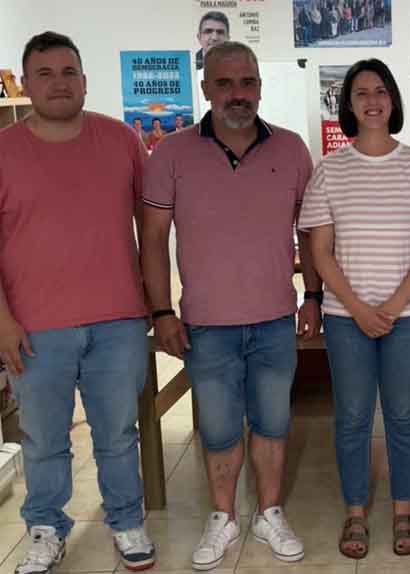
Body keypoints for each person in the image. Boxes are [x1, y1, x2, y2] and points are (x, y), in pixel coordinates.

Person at [141, 41, 321, 570]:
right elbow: (153, 239)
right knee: (219, 430)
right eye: (224, 83)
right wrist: (161, 312)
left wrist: (312, 296)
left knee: (272, 424)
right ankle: (223, 516)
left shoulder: (291, 150)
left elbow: (309, 233)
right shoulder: (170, 153)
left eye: (247, 82)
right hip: (206, 324)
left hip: (274, 318)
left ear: (259, 87)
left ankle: (269, 513)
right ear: (205, 89)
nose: (237, 94)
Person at [0, 31, 155, 574]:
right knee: (44, 440)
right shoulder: (3, 151)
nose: (59, 83)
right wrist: (2, 322)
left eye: (69, 72)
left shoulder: (122, 141)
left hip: (119, 321)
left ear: (85, 80)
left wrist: (156, 303)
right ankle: (46, 529)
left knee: (118, 434)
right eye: (44, 74)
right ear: (26, 83)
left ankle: (126, 521)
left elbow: (151, 228)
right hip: (34, 328)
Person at [298, 58, 410, 560]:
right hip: (346, 318)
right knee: (353, 417)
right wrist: (359, 308)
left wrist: (392, 307)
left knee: (403, 415)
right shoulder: (329, 170)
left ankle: (403, 511)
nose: (372, 101)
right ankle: (356, 513)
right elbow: (320, 252)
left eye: (381, 91)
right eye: (361, 93)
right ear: (348, 104)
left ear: (393, 99)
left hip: (408, 317)